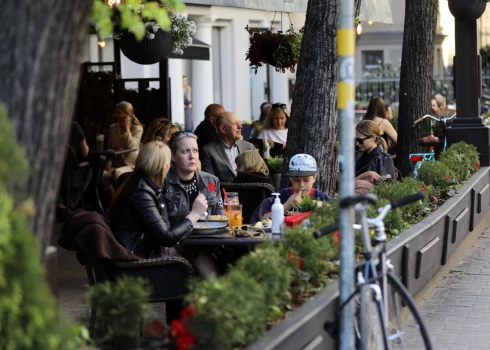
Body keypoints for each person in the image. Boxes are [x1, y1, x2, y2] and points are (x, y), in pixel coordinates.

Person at [108, 141, 208, 258]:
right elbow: (167, 237)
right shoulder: (141, 192)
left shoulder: (138, 183)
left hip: (136, 253)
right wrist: (195, 214)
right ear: (164, 167)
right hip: (135, 260)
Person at [250, 154, 331, 224]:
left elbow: (336, 212)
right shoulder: (283, 195)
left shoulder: (321, 197)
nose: (301, 185)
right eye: (296, 180)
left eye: (306, 180)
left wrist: (310, 203)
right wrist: (287, 205)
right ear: (291, 178)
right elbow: (263, 220)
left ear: (314, 178)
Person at [165, 132, 225, 225]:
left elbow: (220, 220)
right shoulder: (163, 182)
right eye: (185, 151)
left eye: (195, 150)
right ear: (173, 156)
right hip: (177, 238)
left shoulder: (212, 181)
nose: (192, 156)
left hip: (208, 238)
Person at [200, 112, 256, 183]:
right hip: (224, 193)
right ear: (223, 129)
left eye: (239, 123)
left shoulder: (249, 147)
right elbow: (210, 182)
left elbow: (258, 175)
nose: (240, 126)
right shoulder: (208, 151)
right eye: (235, 124)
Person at [103, 101, 144, 196]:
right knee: (102, 174)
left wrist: (126, 130)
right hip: (115, 164)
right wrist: (108, 164)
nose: (116, 115)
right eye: (116, 112)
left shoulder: (137, 129)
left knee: (117, 173)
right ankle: (112, 201)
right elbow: (110, 148)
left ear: (127, 115)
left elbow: (132, 146)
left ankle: (122, 200)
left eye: (119, 112)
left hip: (130, 164)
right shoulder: (113, 128)